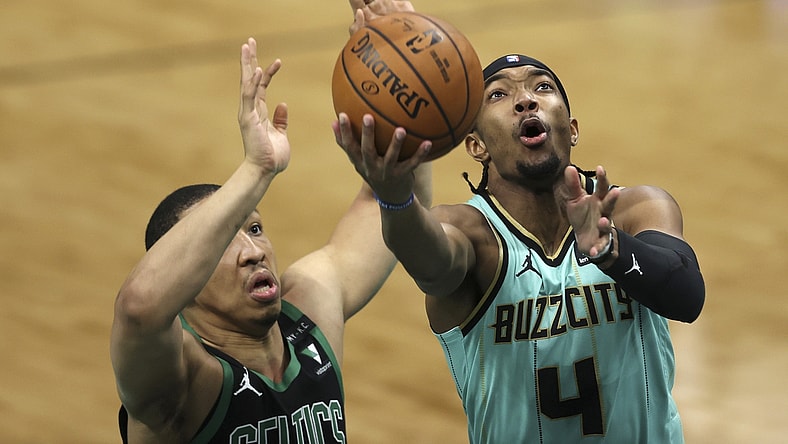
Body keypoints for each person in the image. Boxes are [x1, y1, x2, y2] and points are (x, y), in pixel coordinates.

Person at [336, 5, 706, 443]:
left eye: (542, 87)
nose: (526, 99)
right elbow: (428, 262)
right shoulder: (472, 234)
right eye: (498, 95)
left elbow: (688, 297)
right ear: (476, 145)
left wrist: (611, 250)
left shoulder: (633, 209)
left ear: (572, 129)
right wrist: (395, 196)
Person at [110, 4, 429, 442]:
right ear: (185, 281)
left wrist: (407, 80)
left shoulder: (311, 313)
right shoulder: (180, 379)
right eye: (225, 241)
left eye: (255, 229)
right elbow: (139, 308)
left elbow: (393, 201)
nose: (254, 252)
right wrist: (257, 170)